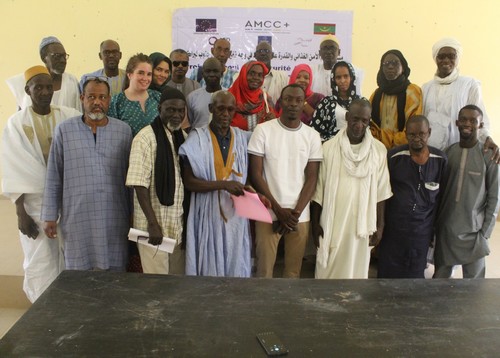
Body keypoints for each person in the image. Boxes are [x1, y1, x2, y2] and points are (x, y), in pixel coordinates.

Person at [1, 66, 80, 302]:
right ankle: (42, 307)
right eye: (39, 87)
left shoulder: (68, 115)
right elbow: (13, 169)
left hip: (66, 199)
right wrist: (20, 213)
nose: (45, 92)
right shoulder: (16, 123)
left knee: (69, 255)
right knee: (40, 258)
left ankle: (67, 305)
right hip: (34, 205)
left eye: (49, 87)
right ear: (28, 90)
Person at [41, 77, 133, 271]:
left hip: (114, 215)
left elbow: (132, 178)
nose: (97, 102)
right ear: (82, 98)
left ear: (109, 100)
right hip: (77, 215)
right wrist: (49, 215)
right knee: (78, 273)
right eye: (91, 96)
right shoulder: (64, 130)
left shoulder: (124, 131)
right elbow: (54, 175)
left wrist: (135, 215)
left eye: (102, 97)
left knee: (115, 270)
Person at [311, 98, 392, 279]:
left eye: (364, 121)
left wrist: (380, 226)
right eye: (355, 119)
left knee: (355, 275)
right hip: (333, 224)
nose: (359, 125)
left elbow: (382, 191)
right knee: (327, 274)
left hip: (361, 226)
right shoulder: (329, 148)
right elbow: (319, 190)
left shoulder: (378, 150)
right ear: (347, 117)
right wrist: (315, 225)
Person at [249, 84, 323, 278]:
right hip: (268, 211)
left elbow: (312, 178)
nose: (293, 104)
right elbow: (255, 174)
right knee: (264, 272)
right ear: (281, 102)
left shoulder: (312, 136)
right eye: (288, 99)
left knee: (293, 273)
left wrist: (294, 213)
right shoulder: (263, 131)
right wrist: (278, 210)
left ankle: (288, 309)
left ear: (303, 103)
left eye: (298, 100)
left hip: (299, 215)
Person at [180, 91, 254, 277]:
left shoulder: (242, 138)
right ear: (211, 109)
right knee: (208, 266)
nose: (225, 114)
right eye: (221, 109)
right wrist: (223, 185)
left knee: (235, 260)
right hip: (207, 212)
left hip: (236, 214)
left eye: (230, 109)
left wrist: (248, 188)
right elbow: (189, 182)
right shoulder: (196, 138)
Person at [126, 87, 188, 275]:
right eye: (171, 110)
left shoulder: (182, 137)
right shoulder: (145, 138)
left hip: (175, 227)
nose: (176, 115)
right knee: (156, 286)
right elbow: (138, 184)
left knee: (176, 284)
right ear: (160, 108)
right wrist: (153, 224)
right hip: (153, 229)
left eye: (180, 110)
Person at [434, 105, 500, 279]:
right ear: (457, 123)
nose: (467, 124)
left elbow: (494, 197)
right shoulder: (449, 153)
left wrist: (485, 232)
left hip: (474, 232)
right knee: (439, 283)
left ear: (480, 124)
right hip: (447, 230)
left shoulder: (489, 156)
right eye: (463, 119)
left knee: (475, 287)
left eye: (473, 120)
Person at [377, 115, 447, 278]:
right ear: (405, 134)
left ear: (428, 133)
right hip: (394, 230)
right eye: (412, 134)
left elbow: (441, 199)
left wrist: (433, 231)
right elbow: (382, 192)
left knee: (415, 277)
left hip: (421, 232)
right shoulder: (394, 157)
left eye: (421, 134)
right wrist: (381, 225)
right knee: (387, 277)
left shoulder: (440, 160)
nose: (417, 139)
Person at [422, 38, 491, 151]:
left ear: (457, 58)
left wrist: (487, 138)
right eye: (441, 56)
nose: (446, 60)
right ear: (435, 58)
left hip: (461, 151)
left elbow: (480, 117)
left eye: (451, 56)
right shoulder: (426, 88)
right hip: (432, 154)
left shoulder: (469, 85)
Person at [6, 36, 81, 111]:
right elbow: (22, 116)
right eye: (57, 56)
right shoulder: (29, 82)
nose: (63, 60)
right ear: (43, 58)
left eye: (64, 56)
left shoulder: (71, 81)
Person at [370, 50, 423, 149]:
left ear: (403, 67)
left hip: (405, 150)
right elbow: (370, 127)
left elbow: (414, 128)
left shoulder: (413, 92)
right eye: (385, 64)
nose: (390, 66)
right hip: (378, 150)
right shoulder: (376, 95)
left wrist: (389, 141)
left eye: (395, 63)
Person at [108, 53, 161, 136]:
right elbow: (112, 134)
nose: (145, 78)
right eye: (141, 73)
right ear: (129, 74)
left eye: (149, 74)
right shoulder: (116, 102)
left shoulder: (158, 97)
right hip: (126, 148)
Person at [311, 61, 359, 142]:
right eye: (338, 77)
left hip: (356, 148)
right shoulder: (326, 102)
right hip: (331, 148)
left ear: (351, 77)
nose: (342, 81)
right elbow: (315, 130)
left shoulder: (361, 102)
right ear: (333, 79)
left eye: (346, 76)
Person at [228, 61, 275, 131]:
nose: (256, 78)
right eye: (252, 74)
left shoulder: (265, 99)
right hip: (236, 141)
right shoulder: (229, 98)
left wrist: (272, 121)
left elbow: (273, 124)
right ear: (243, 74)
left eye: (260, 75)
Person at [186, 58, 223, 129]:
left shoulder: (229, 96)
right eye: (208, 71)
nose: (212, 74)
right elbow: (189, 124)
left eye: (215, 71)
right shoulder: (192, 97)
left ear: (221, 73)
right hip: (198, 138)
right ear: (202, 74)